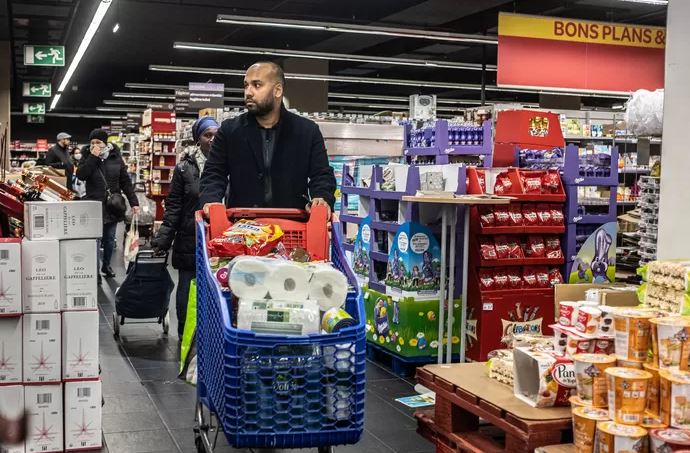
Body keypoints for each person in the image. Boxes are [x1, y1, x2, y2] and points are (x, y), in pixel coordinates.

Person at [198, 61, 336, 214]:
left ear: (277, 90)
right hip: (241, 227)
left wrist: (322, 197)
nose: (248, 92)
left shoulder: (307, 131)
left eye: (257, 85)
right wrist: (211, 200)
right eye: (246, 85)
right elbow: (213, 173)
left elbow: (322, 174)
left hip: (292, 227)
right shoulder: (229, 131)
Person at [152, 116, 219, 338]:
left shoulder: (227, 166)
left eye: (216, 135)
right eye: (207, 135)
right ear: (197, 139)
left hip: (218, 239)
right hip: (189, 238)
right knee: (186, 288)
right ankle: (185, 335)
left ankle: (211, 334)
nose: (212, 139)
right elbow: (173, 207)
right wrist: (163, 239)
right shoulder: (183, 169)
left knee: (216, 289)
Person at [76, 129, 139, 281]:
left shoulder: (115, 156)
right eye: (92, 143)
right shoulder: (87, 156)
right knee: (96, 240)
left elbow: (125, 182)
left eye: (98, 142)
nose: (95, 145)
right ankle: (95, 270)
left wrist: (134, 202)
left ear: (105, 143)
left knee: (110, 239)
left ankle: (106, 265)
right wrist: (93, 157)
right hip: (94, 204)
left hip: (112, 205)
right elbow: (81, 175)